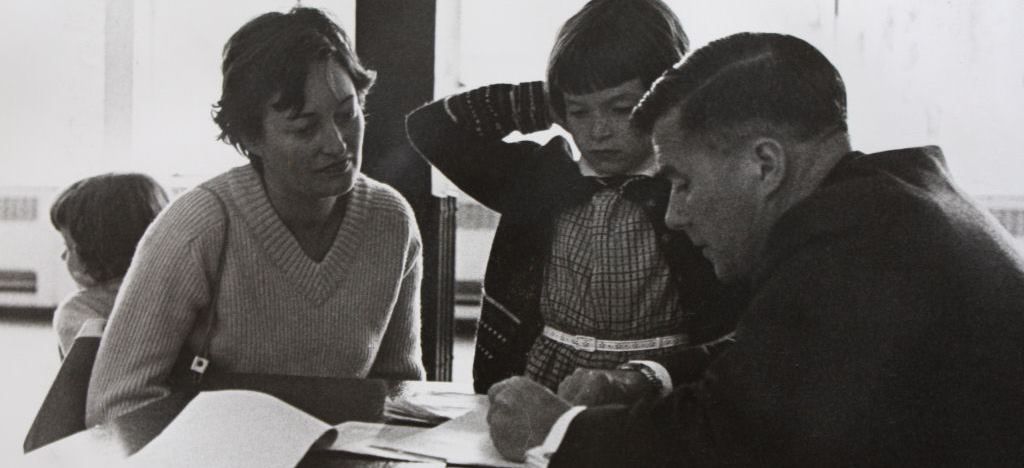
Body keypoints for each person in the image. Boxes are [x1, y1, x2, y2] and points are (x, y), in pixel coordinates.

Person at [487, 32, 1024, 466]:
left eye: (682, 181)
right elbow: (771, 360)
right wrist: (646, 376)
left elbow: (728, 442)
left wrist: (558, 430)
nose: (674, 213)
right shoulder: (882, 206)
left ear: (764, 165)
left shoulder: (847, 251)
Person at [86, 7, 425, 426]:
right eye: (304, 128)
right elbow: (115, 403)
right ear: (249, 137)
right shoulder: (197, 228)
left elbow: (398, 390)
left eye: (346, 114)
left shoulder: (391, 220)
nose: (337, 145)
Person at [407, 0, 742, 401]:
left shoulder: (690, 185)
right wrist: (548, 99)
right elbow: (429, 127)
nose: (598, 131)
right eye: (579, 112)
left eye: (621, 108)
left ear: (664, 101)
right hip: (547, 376)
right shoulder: (538, 177)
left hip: (659, 381)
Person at [49, 173, 169, 357]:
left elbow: (84, 382)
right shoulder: (176, 295)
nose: (62, 256)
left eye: (68, 246)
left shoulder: (79, 309)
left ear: (91, 252)